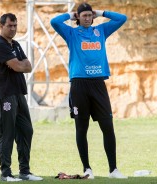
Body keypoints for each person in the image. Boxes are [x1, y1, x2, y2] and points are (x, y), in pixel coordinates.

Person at [50, 3, 128, 179]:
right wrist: (71, 15)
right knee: (81, 128)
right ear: (79, 17)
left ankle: (113, 170)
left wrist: (100, 13)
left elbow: (122, 18)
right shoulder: (72, 33)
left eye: (89, 15)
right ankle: (87, 169)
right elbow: (54, 21)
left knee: (107, 126)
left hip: (98, 84)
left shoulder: (101, 31)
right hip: (79, 85)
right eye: (83, 15)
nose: (87, 18)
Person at [0, 13, 43, 182]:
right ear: (1, 26)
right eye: (9, 26)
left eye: (15, 25)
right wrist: (19, 65)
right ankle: (6, 173)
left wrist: (20, 65)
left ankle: (25, 171)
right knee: (7, 133)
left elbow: (27, 65)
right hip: (4, 94)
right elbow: (18, 65)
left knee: (26, 130)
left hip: (18, 93)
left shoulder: (16, 44)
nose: (12, 29)